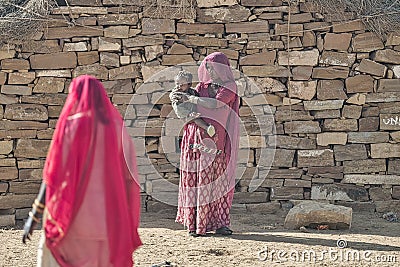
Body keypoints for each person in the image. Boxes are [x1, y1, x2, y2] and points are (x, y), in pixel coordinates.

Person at [22, 75, 142, 266]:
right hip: (108, 219)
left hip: (74, 220)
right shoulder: (117, 127)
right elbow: (129, 178)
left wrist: (35, 215)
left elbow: (54, 174)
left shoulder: (71, 126)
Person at [175, 52, 240, 237]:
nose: (209, 71)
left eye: (213, 68)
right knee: (196, 181)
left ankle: (220, 224)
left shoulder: (229, 87)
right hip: (196, 139)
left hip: (218, 141)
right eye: (208, 68)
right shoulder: (199, 87)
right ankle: (195, 225)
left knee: (218, 183)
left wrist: (192, 99)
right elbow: (187, 110)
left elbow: (215, 104)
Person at [169, 70, 215, 137]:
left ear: (189, 84)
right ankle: (207, 128)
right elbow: (173, 96)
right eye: (177, 83)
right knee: (196, 119)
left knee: (197, 117)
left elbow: (196, 95)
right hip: (183, 112)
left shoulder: (191, 91)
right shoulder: (177, 92)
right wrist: (189, 113)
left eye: (182, 84)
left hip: (191, 110)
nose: (179, 86)